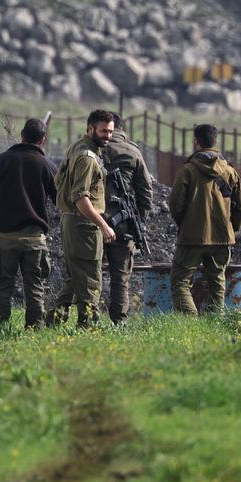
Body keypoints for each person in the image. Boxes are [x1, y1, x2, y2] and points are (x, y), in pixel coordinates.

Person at [0, 118, 58, 328]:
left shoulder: (2, 160)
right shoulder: (48, 165)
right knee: (35, 287)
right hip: (35, 239)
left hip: (6, 238)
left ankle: (0, 329)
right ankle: (35, 329)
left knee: (2, 287)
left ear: (22, 135)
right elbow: (60, 199)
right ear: (42, 140)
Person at [46, 109, 117, 328]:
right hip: (83, 224)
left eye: (111, 131)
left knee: (76, 275)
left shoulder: (77, 147)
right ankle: (88, 327)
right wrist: (103, 225)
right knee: (90, 278)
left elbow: (59, 182)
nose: (108, 136)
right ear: (90, 128)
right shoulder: (87, 157)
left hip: (74, 222)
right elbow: (80, 198)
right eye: (103, 131)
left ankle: (54, 321)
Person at [168, 124, 241, 316]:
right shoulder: (230, 171)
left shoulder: (187, 170)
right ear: (215, 141)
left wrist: (185, 224)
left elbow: (175, 205)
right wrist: (231, 228)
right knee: (217, 282)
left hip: (191, 238)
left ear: (196, 141)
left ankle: (190, 322)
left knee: (180, 282)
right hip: (222, 238)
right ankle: (215, 321)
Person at [102, 115, 153, 325]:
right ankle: (119, 322)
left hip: (93, 221)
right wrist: (139, 219)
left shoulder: (93, 148)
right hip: (123, 226)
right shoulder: (133, 151)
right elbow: (145, 192)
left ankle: (86, 319)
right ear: (122, 129)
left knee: (89, 274)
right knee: (120, 278)